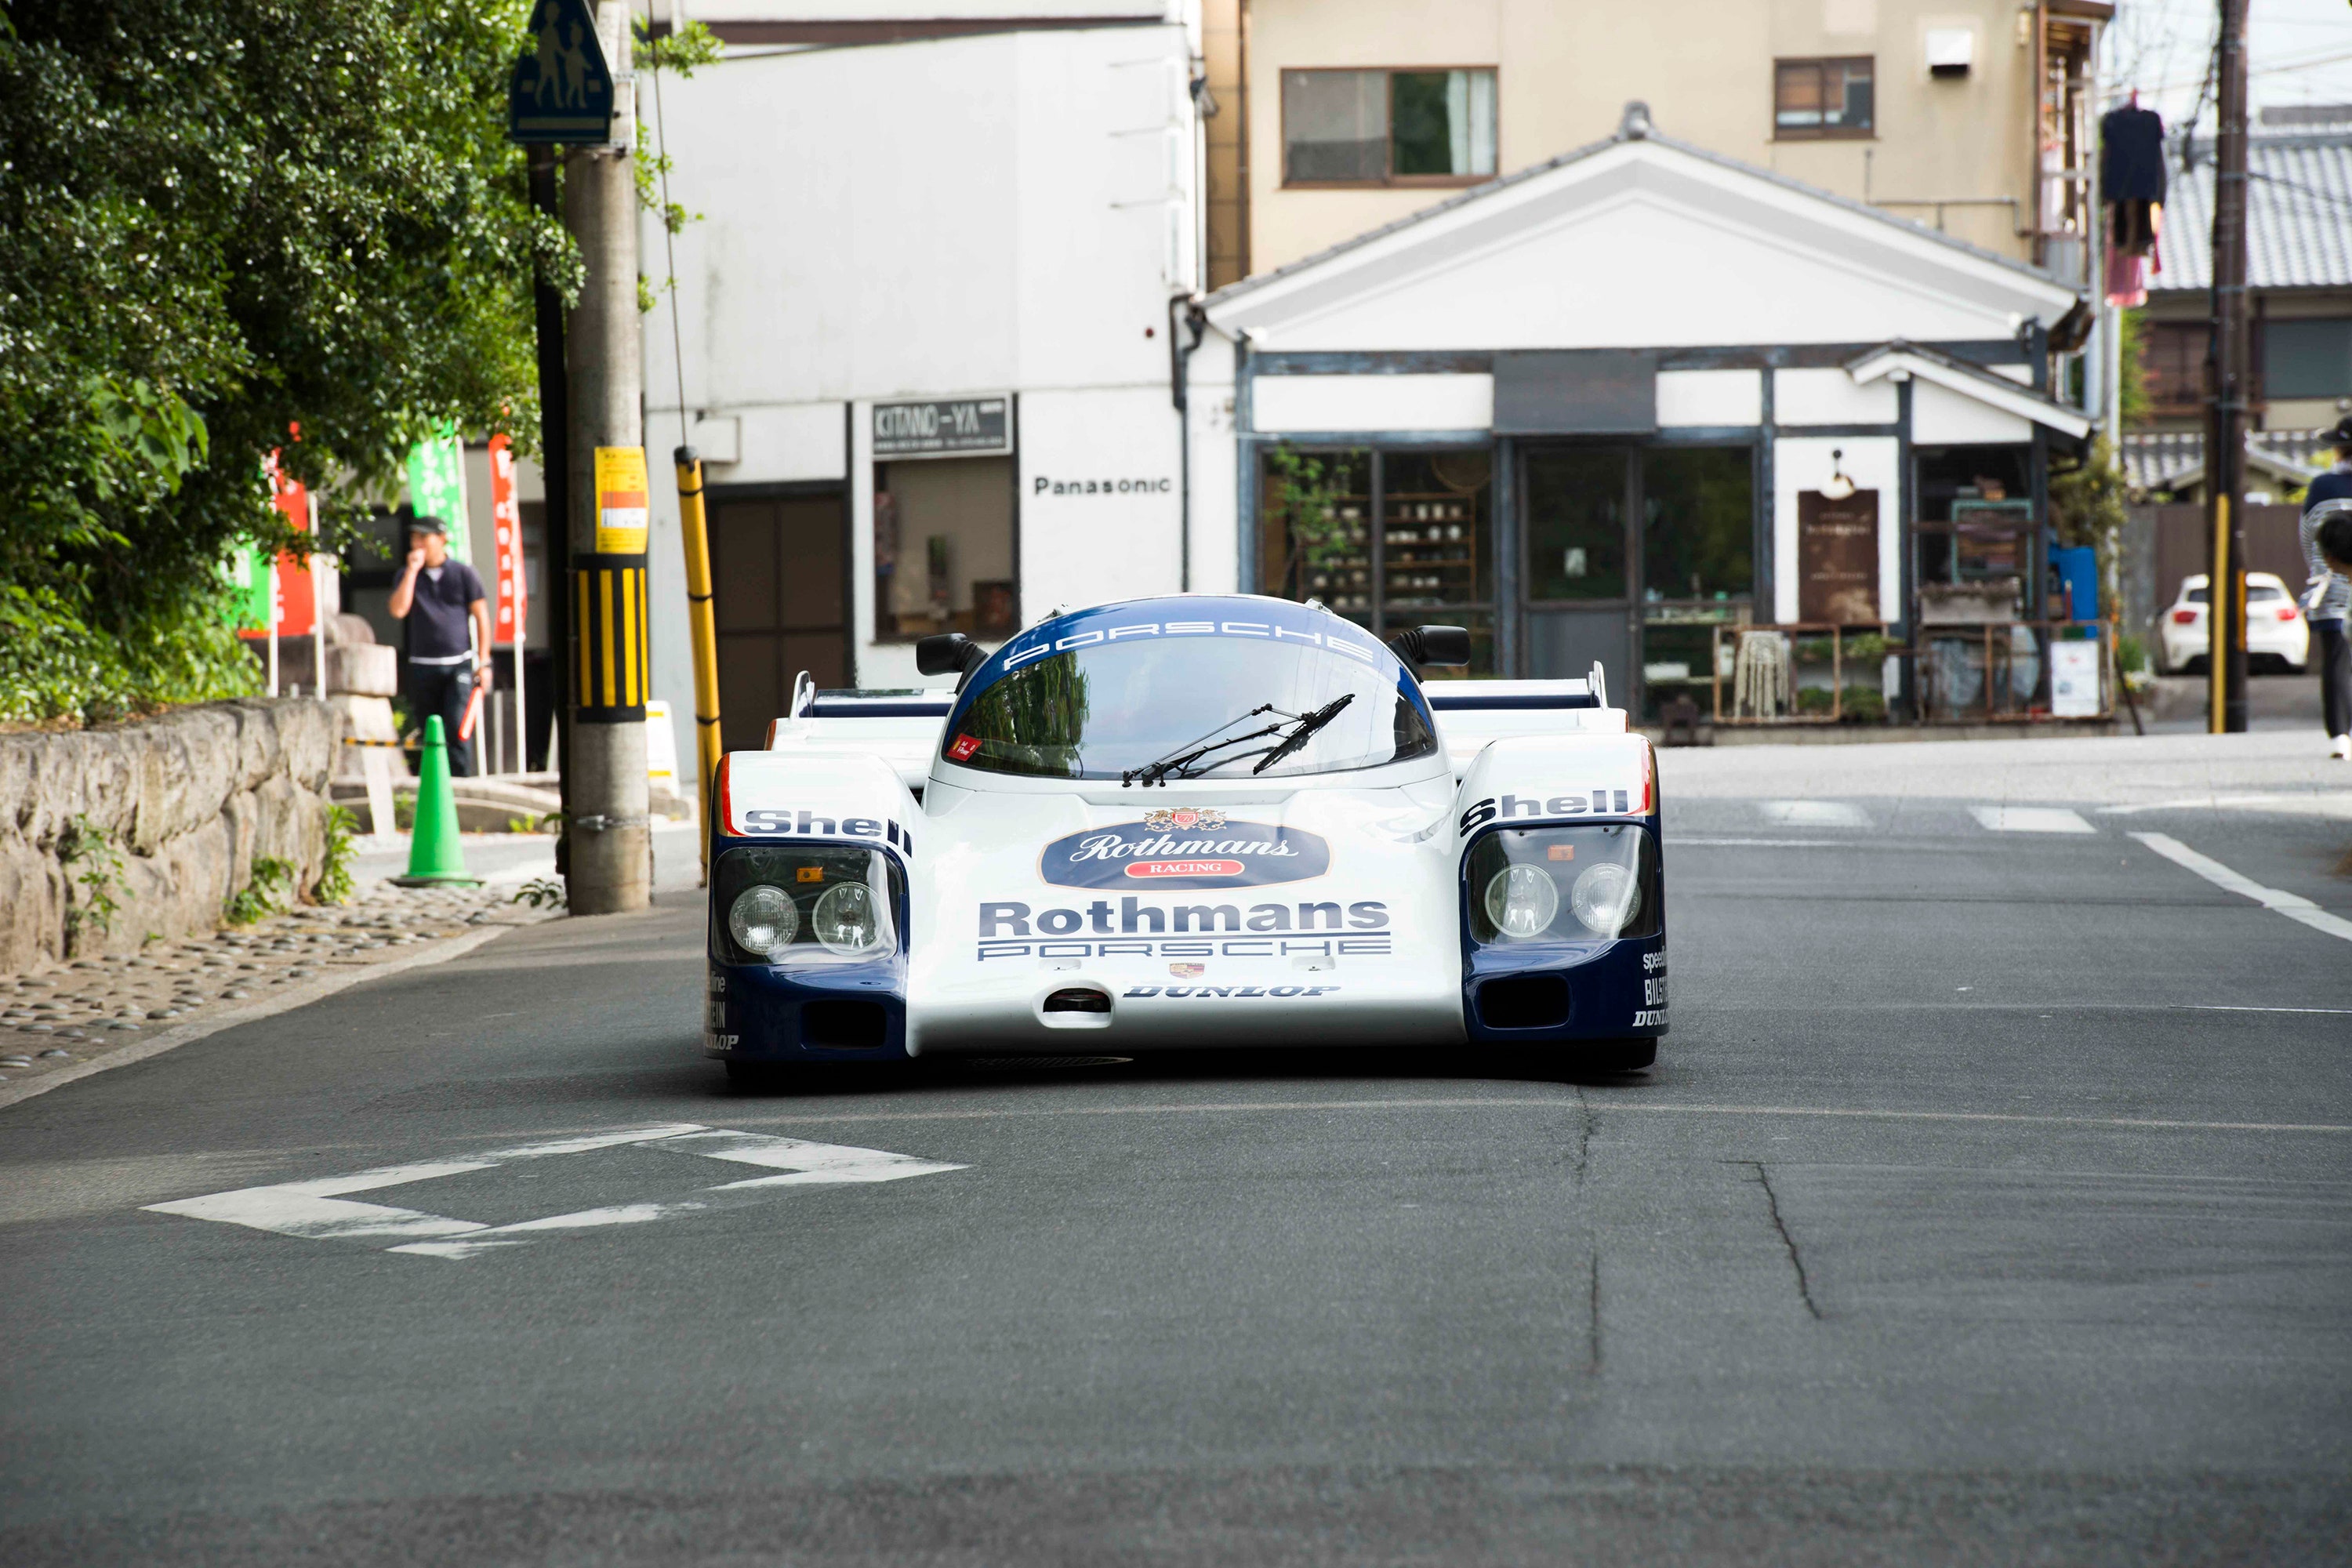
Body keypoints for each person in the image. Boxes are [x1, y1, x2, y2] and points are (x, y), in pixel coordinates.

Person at [388, 514, 492, 776]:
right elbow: (399, 610)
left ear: (442, 539)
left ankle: (459, 788)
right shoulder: (407, 574)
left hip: (459, 664)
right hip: (422, 665)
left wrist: (485, 661)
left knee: (457, 727)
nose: (418, 542)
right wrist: (412, 570)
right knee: (429, 730)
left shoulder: (463, 574)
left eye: (424, 537)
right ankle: (434, 785)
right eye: (414, 537)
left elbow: (482, 617)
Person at [2300, 416, 2352, 760]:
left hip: (2332, 585)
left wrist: (2320, 568)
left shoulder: (2321, 486)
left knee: (2335, 660)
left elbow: (2308, 538)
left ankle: (2340, 735)